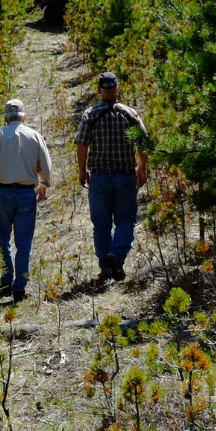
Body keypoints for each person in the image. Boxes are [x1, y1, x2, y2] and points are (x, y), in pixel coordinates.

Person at [75, 70, 148, 281]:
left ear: (99, 90)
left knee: (101, 224)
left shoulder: (90, 114)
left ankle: (106, 268)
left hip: (99, 177)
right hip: (125, 176)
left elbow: (82, 144)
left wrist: (82, 170)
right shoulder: (129, 114)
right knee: (126, 220)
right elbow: (144, 143)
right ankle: (117, 254)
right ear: (118, 89)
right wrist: (142, 167)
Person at [0, 98, 51, 301]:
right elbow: (46, 165)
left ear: (5, 117)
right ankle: (19, 286)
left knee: (3, 240)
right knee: (24, 242)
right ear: (24, 117)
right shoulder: (34, 136)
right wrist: (44, 184)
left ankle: (6, 280)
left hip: (2, 193)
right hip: (26, 194)